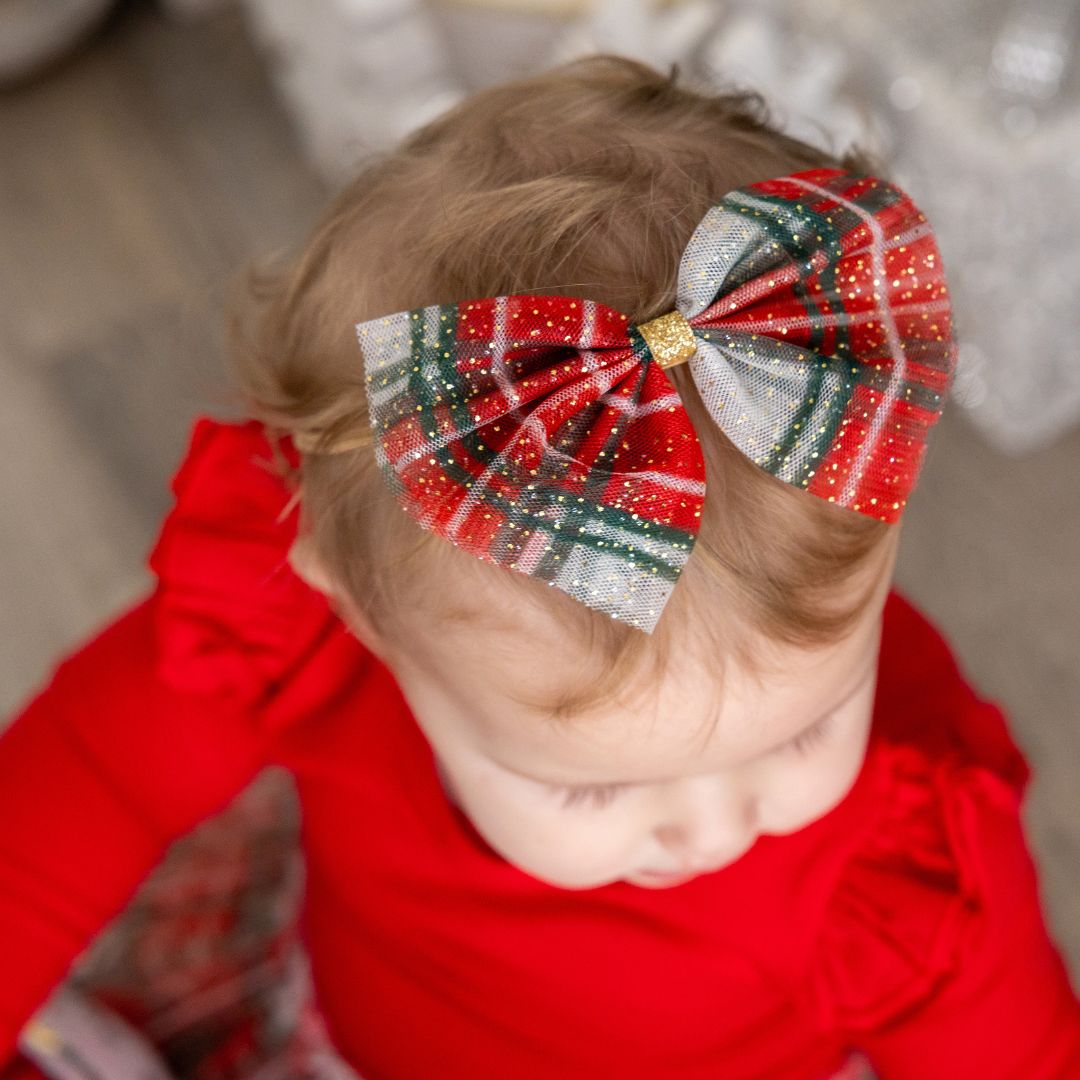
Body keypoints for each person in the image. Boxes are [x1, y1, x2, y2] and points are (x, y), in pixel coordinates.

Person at [2, 52, 1080, 1080]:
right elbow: (68, 807)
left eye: (810, 727)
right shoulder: (285, 630)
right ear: (358, 607)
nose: (712, 831)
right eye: (592, 787)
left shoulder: (906, 856)